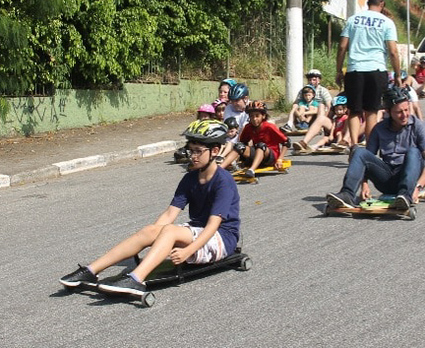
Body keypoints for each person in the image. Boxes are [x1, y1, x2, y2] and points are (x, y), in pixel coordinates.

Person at [59, 119, 240, 295]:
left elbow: (213, 225)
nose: (192, 156)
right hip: (197, 231)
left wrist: (188, 251)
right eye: (190, 150)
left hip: (222, 238)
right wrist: (154, 237)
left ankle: (135, 279)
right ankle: (91, 271)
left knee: (169, 231)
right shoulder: (189, 178)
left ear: (215, 150)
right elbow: (170, 213)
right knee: (151, 230)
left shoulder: (223, 181)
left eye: (198, 151)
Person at [325, 87, 425, 211]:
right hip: (387, 177)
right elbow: (366, 159)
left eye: (406, 110)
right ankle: (347, 194)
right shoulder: (379, 128)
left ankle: (405, 195)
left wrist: (418, 187)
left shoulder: (418, 126)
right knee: (359, 151)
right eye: (399, 112)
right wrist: (364, 184)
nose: (404, 115)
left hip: (411, 177)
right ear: (388, 112)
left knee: (414, 151)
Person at [336, 0, 401, 145]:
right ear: (382, 4)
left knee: (354, 110)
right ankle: (370, 148)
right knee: (371, 111)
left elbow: (342, 47)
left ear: (367, 3)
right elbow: (393, 51)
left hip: (355, 69)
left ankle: (353, 145)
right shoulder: (386, 22)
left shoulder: (352, 20)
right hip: (376, 69)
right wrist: (397, 74)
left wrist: (339, 70)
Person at [233, 101, 290, 177]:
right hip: (257, 154)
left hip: (271, 156)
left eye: (257, 116)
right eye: (251, 116)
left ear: (263, 116)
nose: (254, 119)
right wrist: (242, 159)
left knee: (260, 145)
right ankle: (219, 169)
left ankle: (251, 170)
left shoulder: (269, 127)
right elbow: (243, 143)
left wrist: (280, 159)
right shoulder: (248, 127)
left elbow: (286, 142)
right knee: (239, 146)